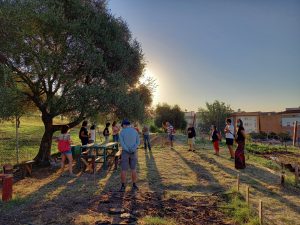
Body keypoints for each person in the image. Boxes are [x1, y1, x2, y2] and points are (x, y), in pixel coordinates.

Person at [119, 119, 140, 192]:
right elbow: (138, 141)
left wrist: (127, 149)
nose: (122, 127)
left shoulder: (122, 132)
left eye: (122, 125)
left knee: (124, 169)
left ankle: (122, 186)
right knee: (133, 169)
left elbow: (122, 143)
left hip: (125, 151)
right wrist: (133, 148)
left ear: (124, 125)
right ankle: (134, 185)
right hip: (133, 151)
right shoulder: (135, 131)